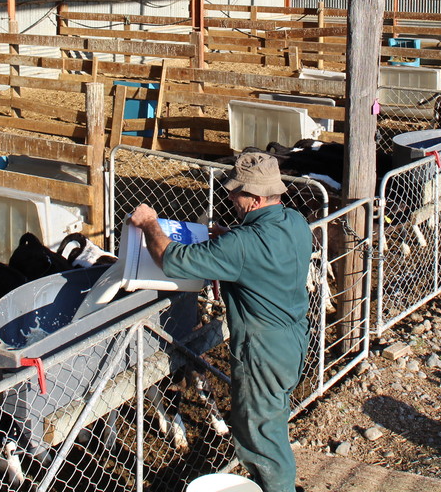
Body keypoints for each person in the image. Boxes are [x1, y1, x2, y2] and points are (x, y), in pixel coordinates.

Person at [129, 151, 312, 492]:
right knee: (270, 423)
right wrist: (229, 239)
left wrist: (149, 224)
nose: (230, 196)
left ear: (255, 199)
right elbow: (264, 254)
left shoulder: (242, 244)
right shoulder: (295, 222)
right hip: (294, 339)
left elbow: (170, 259)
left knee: (261, 439)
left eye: (237, 192)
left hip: (262, 351)